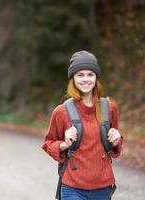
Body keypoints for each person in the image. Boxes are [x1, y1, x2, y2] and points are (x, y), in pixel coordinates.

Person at [42, 50, 123, 200]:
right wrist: (64, 144)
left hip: (103, 187)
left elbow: (114, 145)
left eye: (90, 74)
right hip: (72, 187)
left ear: (96, 77)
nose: (86, 79)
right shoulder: (61, 112)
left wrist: (116, 141)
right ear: (73, 78)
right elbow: (48, 144)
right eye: (80, 75)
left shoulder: (109, 107)